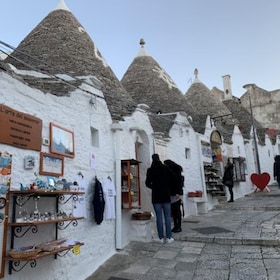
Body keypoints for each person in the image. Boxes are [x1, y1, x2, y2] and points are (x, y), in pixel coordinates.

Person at [145, 154, 174, 243]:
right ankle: (169, 237)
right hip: (166, 195)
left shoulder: (150, 170)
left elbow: (147, 183)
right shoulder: (165, 168)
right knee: (167, 217)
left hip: (156, 196)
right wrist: (168, 187)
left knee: (159, 217)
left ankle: (161, 237)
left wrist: (154, 187)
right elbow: (173, 178)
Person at [164, 159, 184, 233]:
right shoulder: (176, 173)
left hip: (175, 194)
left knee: (176, 211)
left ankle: (178, 226)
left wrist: (177, 192)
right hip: (175, 193)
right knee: (176, 211)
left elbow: (178, 184)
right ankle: (177, 226)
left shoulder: (174, 174)